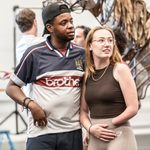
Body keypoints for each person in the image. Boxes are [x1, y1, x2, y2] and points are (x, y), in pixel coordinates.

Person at [6, 2, 85, 150]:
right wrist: (31, 104)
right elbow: (11, 87)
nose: (70, 26)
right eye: (63, 23)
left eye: (71, 21)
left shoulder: (81, 54)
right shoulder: (34, 53)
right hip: (41, 133)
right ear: (50, 28)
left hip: (72, 132)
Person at [80, 26, 139, 150]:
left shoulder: (120, 70)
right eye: (101, 40)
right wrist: (90, 129)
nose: (107, 44)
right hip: (95, 137)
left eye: (110, 40)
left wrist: (110, 124)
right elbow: (83, 112)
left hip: (118, 134)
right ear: (90, 46)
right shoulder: (87, 75)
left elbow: (133, 108)